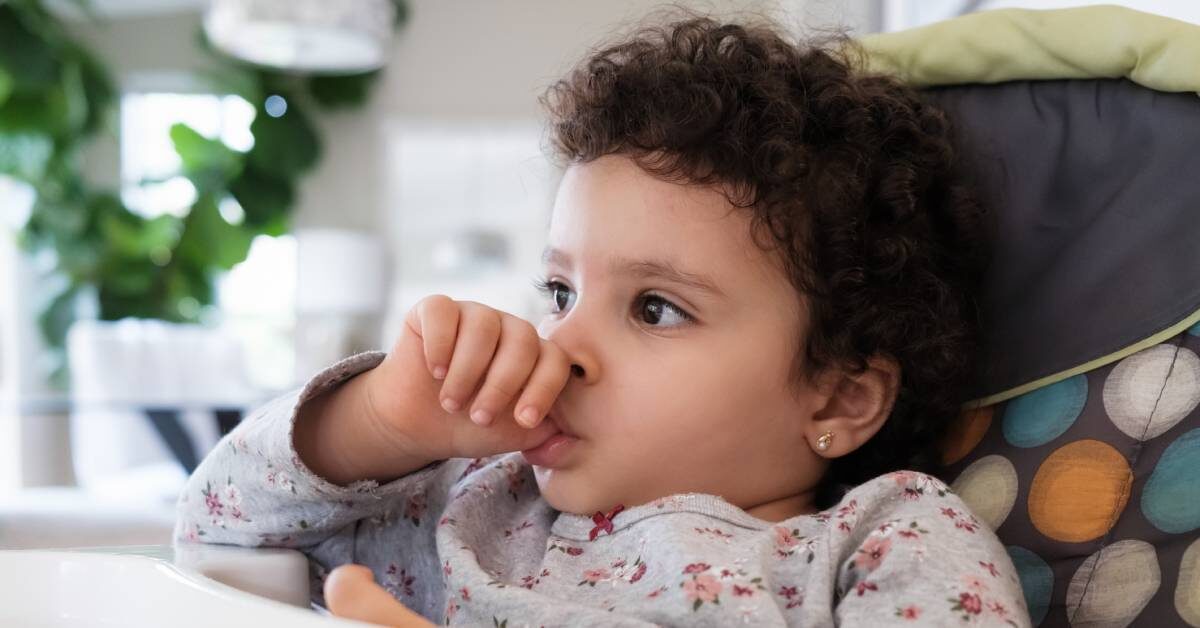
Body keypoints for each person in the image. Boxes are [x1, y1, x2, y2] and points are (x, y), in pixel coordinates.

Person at [176, 9, 1030, 627]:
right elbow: (218, 532)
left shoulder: (875, 545)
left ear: (838, 401)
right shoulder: (475, 504)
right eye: (558, 292)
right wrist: (379, 422)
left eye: (656, 308)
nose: (563, 346)